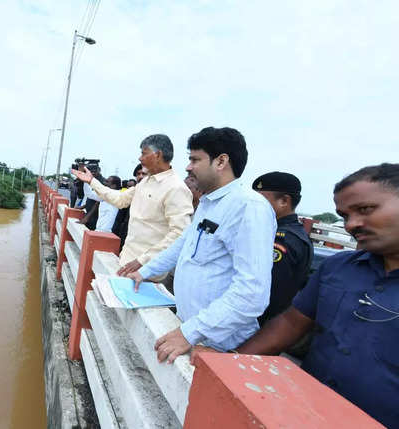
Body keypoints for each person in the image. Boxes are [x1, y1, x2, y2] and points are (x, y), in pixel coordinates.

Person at [206, 163, 399, 428]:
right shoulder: (338, 268)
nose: (352, 224)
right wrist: (226, 363)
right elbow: (291, 323)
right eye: (344, 216)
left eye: (365, 209)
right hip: (303, 413)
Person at [126, 127, 276, 362]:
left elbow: (252, 294)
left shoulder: (248, 207)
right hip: (193, 333)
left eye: (195, 159)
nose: (188, 167)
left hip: (219, 345)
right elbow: (181, 246)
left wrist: (189, 333)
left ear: (221, 161)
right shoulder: (209, 203)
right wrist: (143, 272)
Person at [71, 134, 193, 277]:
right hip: (125, 263)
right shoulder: (145, 183)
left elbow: (180, 235)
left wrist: (143, 260)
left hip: (146, 274)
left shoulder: (176, 188)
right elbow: (119, 199)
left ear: (157, 155)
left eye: (143, 153)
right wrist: (92, 181)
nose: (140, 159)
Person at [252, 172, 313, 325]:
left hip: (262, 326)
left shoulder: (282, 239)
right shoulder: (285, 232)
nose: (253, 205)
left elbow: (270, 292)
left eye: (260, 200)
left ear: (284, 201)